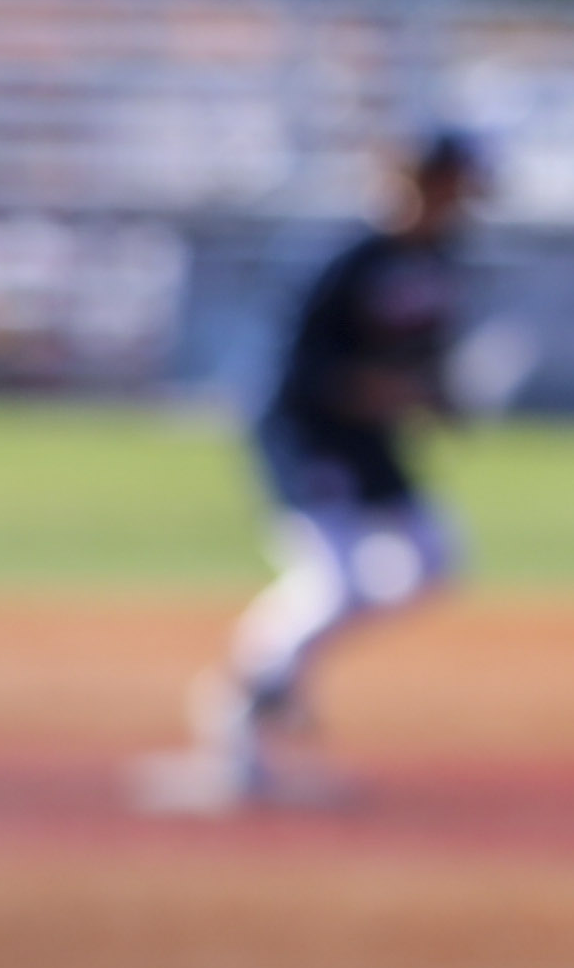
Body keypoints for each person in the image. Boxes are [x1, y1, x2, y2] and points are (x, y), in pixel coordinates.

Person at [172, 126, 489, 809]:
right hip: (304, 433)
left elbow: (424, 356)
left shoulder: (439, 262)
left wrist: (439, 398)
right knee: (333, 579)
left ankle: (281, 670)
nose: (463, 201)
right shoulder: (347, 261)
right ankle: (243, 704)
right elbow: (297, 369)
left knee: (433, 557)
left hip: (367, 439)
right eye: (454, 185)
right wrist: (380, 389)